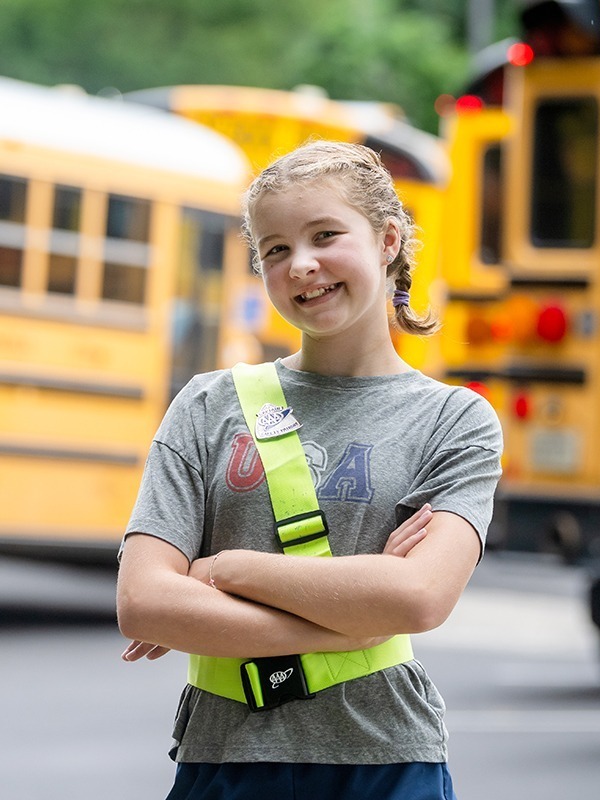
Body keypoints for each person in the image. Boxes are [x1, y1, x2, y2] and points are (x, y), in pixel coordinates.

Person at [117, 140, 503, 800]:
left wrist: (223, 570)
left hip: (386, 760)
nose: (301, 265)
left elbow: (417, 598)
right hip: (225, 759)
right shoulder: (208, 405)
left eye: (325, 235)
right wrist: (361, 618)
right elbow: (144, 602)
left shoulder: (456, 420)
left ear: (387, 240)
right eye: (274, 249)